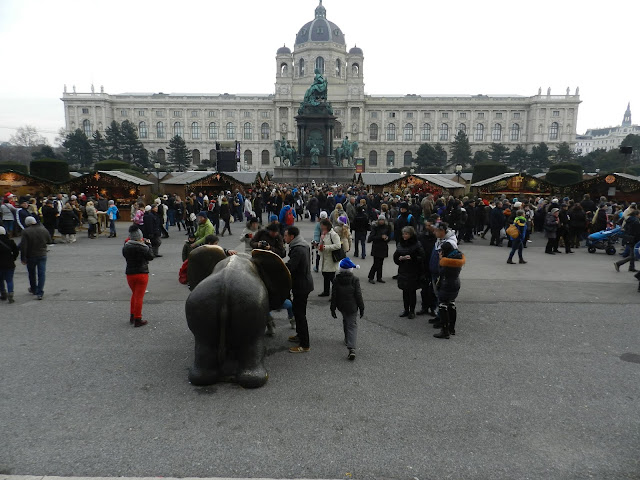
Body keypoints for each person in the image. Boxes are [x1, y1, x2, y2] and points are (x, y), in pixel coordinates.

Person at [283, 226, 314, 354]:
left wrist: (278, 266)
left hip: (301, 285)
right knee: (297, 311)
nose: (284, 238)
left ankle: (304, 344)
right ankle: (299, 335)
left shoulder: (298, 249)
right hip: (303, 283)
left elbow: (291, 266)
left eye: (285, 235)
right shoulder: (301, 245)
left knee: (300, 314)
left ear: (292, 236)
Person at [331, 257, 365, 361]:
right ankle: (352, 348)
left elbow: (334, 295)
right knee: (352, 325)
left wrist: (332, 308)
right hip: (352, 306)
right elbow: (358, 295)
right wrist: (361, 307)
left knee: (346, 320)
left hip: (342, 306)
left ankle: (347, 339)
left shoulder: (336, 280)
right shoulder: (355, 280)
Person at [122, 225, 155, 327]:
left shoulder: (126, 247)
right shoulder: (144, 247)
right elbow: (151, 257)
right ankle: (137, 318)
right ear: (140, 237)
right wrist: (149, 245)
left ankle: (132, 315)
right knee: (139, 297)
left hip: (130, 274)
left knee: (134, 294)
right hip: (141, 273)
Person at [433, 241, 465, 339]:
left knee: (443, 306)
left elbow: (441, 272)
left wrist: (440, 261)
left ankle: (445, 331)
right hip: (455, 283)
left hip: (446, 284)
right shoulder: (457, 258)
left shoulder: (447, 262)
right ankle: (451, 328)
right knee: (451, 304)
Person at [393, 226, 424, 319]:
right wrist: (399, 259)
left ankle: (412, 310)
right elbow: (396, 256)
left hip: (413, 270)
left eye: (406, 234)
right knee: (405, 291)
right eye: (403, 234)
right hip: (403, 270)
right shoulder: (400, 244)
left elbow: (422, 256)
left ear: (411, 234)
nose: (404, 236)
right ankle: (406, 309)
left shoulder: (417, 244)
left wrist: (412, 258)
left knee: (412, 291)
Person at [19, 216, 51, 300]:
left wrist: (23, 258)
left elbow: (24, 246)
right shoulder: (43, 229)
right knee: (41, 273)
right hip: (42, 254)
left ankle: (34, 289)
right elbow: (49, 240)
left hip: (31, 255)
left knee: (32, 273)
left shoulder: (26, 231)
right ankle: (40, 292)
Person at [317, 218, 342, 297]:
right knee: (325, 275)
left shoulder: (333, 234)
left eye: (322, 225)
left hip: (331, 258)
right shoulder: (324, 233)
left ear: (326, 226)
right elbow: (322, 243)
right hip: (325, 258)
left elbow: (338, 245)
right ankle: (326, 291)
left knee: (331, 277)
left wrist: (325, 247)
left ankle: (336, 294)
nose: (321, 227)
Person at [367, 213, 391, 284]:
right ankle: (371, 277)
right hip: (376, 247)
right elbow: (371, 238)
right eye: (380, 220)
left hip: (383, 247)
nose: (381, 221)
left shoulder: (387, 227)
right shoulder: (375, 227)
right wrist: (380, 237)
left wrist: (387, 238)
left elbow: (389, 237)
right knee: (376, 263)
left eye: (382, 220)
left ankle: (379, 277)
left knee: (381, 263)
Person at [0, 226, 19, 303]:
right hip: (9, 264)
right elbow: (16, 252)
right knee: (9, 280)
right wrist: (13, 258)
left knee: (0, 280)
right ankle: (10, 293)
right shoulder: (10, 242)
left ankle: (3, 293)